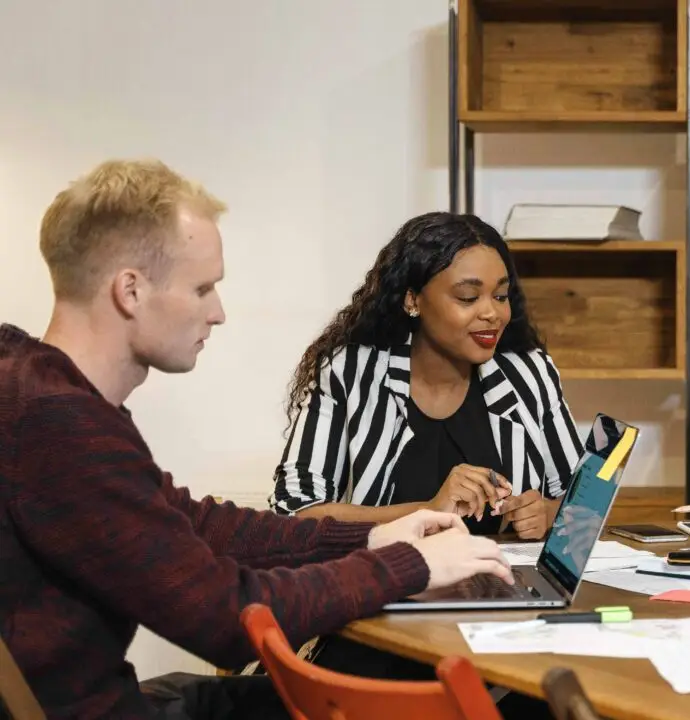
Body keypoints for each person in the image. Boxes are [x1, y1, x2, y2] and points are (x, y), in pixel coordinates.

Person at [0, 159, 513, 720]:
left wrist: (374, 537)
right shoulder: (59, 425)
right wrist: (409, 564)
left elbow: (195, 525)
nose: (218, 312)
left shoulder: (34, 388)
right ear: (130, 290)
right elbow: (225, 618)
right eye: (202, 288)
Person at [270, 211, 583, 541]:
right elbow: (295, 512)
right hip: (389, 580)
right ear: (412, 299)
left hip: (500, 580)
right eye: (468, 297)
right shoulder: (350, 371)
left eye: (501, 296)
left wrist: (547, 513)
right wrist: (429, 511)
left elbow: (584, 503)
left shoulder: (529, 373)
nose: (492, 313)